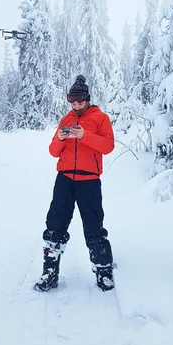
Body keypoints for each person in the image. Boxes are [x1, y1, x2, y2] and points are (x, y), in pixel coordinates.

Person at [34, 75, 115, 292]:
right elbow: (53, 152)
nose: (76, 105)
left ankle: (104, 271)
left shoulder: (101, 118)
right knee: (55, 225)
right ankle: (49, 273)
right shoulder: (65, 120)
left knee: (94, 227)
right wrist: (60, 138)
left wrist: (85, 135)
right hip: (65, 180)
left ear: (87, 98)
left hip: (89, 181)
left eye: (80, 101)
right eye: (72, 101)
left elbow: (108, 146)